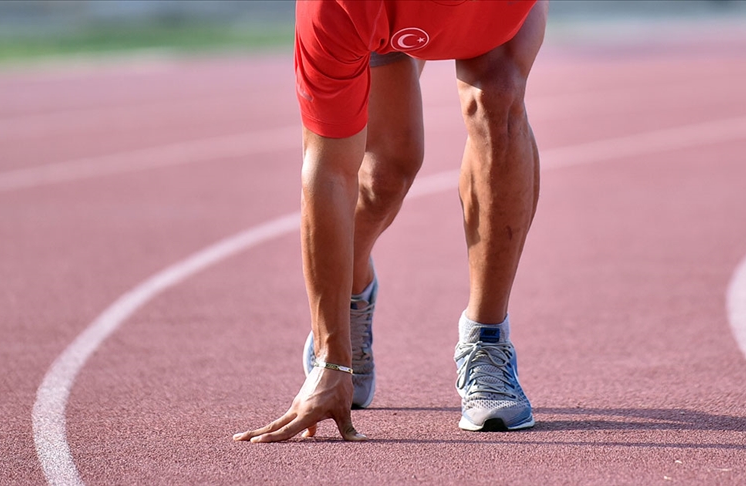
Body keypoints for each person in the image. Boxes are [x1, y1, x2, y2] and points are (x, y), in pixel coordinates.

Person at [234, 0, 548, 443]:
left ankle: (486, 339)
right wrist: (331, 359)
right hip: (382, 18)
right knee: (384, 176)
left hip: (487, 13)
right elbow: (328, 171)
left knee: (497, 95)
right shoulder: (337, 9)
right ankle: (351, 294)